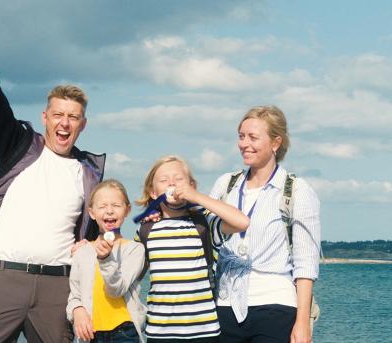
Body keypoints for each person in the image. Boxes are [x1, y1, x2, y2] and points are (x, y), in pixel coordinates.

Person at [0, 3, 105, 342]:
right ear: (45, 117)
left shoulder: (89, 173)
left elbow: (98, 231)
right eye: (58, 114)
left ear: (83, 124)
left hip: (58, 286)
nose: (65, 123)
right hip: (6, 279)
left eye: (73, 117)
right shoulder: (17, 146)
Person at [211, 106, 321, 343]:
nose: (244, 144)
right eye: (241, 136)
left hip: (275, 304)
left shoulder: (297, 191)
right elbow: (204, 233)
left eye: (253, 137)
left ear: (275, 143)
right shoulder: (225, 185)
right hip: (225, 301)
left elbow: (305, 263)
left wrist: (302, 323)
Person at [134, 155, 249, 343]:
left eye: (179, 179)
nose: (172, 182)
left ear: (191, 186)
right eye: (163, 180)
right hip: (159, 331)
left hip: (204, 331)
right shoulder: (146, 230)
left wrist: (196, 197)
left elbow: (242, 222)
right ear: (153, 192)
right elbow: (130, 272)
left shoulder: (204, 224)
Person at [67, 179, 147, 343]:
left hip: (125, 331)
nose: (109, 211)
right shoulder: (82, 251)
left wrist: (105, 259)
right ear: (92, 212)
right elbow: (74, 294)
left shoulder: (134, 250)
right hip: (90, 333)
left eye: (116, 205)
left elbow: (117, 290)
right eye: (102, 206)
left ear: (127, 210)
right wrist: (77, 309)